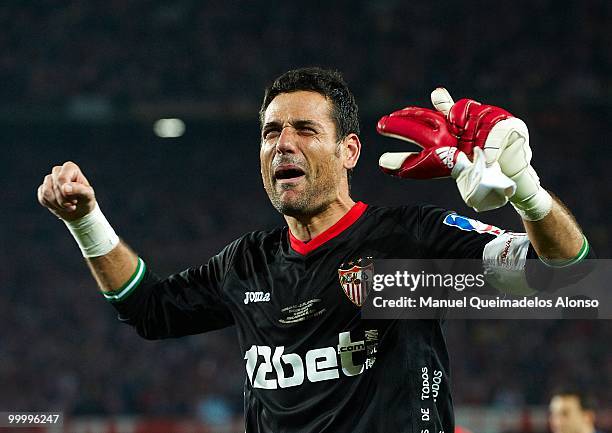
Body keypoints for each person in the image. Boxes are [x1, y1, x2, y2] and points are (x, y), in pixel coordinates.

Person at [38, 67, 592, 432]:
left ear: (349, 150)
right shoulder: (245, 263)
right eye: (271, 131)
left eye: (305, 129)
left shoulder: (405, 240)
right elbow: (147, 308)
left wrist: (529, 193)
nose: (284, 143)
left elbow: (561, 276)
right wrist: (86, 220)